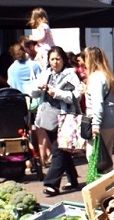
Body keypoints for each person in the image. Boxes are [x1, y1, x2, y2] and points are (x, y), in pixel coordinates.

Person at [30, 47, 82, 196]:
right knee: (62, 149)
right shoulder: (46, 74)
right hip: (48, 117)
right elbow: (33, 92)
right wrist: (38, 87)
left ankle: (51, 183)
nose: (55, 62)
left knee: (58, 149)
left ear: (63, 60)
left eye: (57, 59)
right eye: (52, 59)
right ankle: (72, 179)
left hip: (65, 116)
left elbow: (76, 95)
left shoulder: (70, 74)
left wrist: (57, 93)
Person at [83, 46, 114, 166]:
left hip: (102, 122)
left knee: (94, 158)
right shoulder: (109, 76)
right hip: (112, 120)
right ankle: (110, 182)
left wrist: (95, 125)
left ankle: (101, 183)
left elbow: (98, 103)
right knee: (106, 157)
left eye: (85, 58)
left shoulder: (95, 78)